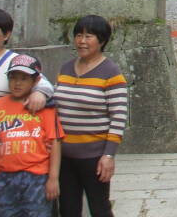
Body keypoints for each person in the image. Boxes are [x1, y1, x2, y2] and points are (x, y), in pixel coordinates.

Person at [54, 15, 128, 217]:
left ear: (101, 40)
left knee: (100, 209)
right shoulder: (66, 68)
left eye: (89, 36)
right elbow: (55, 105)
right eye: (78, 35)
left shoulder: (110, 72)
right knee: (68, 209)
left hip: (94, 157)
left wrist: (109, 155)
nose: (82, 41)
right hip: (64, 155)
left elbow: (118, 117)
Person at [0, 9, 55, 215]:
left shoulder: (15, 61)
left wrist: (40, 95)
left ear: (6, 34)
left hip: (6, 151)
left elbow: (44, 85)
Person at [0, 54, 63, 217]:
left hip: (36, 177)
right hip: (4, 177)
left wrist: (53, 178)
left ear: (36, 81)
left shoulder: (45, 108)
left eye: (24, 79)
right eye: (13, 77)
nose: (17, 83)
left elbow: (56, 143)